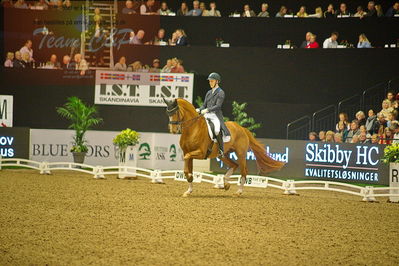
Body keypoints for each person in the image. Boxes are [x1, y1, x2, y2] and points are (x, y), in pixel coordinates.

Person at [196, 73, 231, 157]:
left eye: (212, 81)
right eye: (210, 81)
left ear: (217, 82)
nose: (210, 83)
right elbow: (204, 105)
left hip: (215, 115)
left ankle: (221, 150)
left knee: (216, 130)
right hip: (206, 115)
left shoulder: (221, 92)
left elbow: (218, 106)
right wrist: (199, 109)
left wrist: (208, 109)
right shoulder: (208, 92)